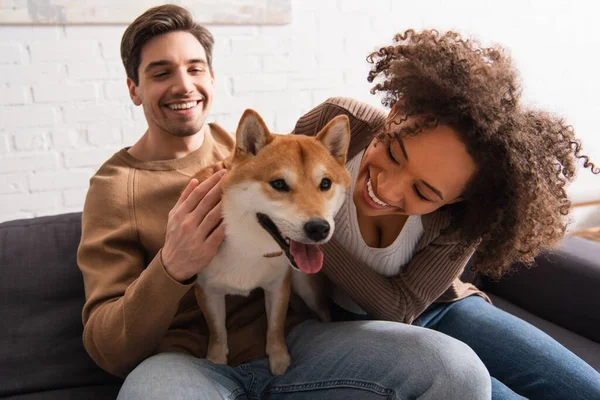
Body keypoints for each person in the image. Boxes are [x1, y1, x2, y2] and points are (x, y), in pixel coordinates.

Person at [77, 6, 492, 400]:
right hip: (185, 361)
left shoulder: (263, 149)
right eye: (161, 72)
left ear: (212, 78)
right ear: (134, 89)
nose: (183, 84)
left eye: (194, 68)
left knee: (455, 369)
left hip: (299, 341)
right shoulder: (114, 189)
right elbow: (108, 349)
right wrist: (171, 266)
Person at [293, 29, 600, 400]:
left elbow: (401, 306)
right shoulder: (337, 124)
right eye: (393, 153)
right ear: (397, 110)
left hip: (443, 308)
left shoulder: (467, 216)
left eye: (423, 192)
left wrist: (306, 232)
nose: (387, 190)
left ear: (460, 199)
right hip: (349, 325)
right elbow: (270, 182)